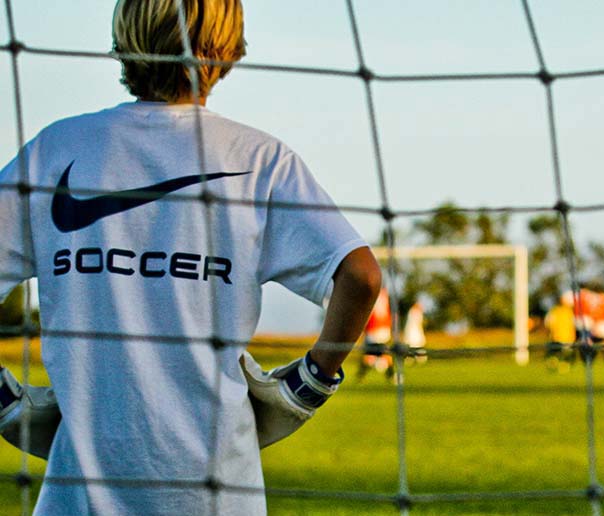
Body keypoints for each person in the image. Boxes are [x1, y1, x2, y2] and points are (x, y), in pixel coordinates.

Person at [0, 1, 381, 513]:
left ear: (123, 34)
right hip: (218, 497)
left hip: (78, 497)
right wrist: (311, 383)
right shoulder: (257, 159)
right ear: (229, 48)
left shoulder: (56, 149)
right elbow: (359, 275)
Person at [357, 287, 395, 381]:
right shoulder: (381, 298)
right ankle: (391, 375)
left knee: (372, 355)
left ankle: (361, 375)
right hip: (380, 331)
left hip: (375, 331)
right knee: (382, 354)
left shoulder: (374, 298)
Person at [544, 292, 576, 372]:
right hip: (563, 337)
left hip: (562, 337)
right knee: (562, 353)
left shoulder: (555, 311)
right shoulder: (567, 311)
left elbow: (548, 323)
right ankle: (561, 365)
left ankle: (560, 364)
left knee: (560, 353)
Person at [403, 300, 427, 364]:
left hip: (413, 331)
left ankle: (417, 358)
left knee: (415, 345)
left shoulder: (412, 311)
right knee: (415, 345)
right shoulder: (415, 312)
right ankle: (413, 358)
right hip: (414, 331)